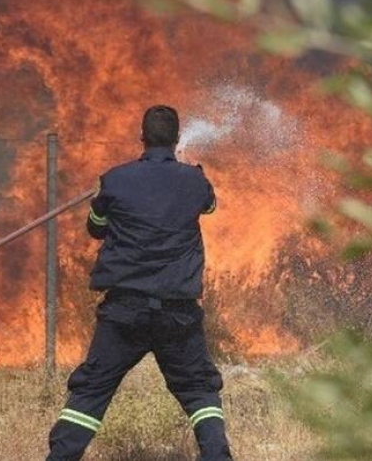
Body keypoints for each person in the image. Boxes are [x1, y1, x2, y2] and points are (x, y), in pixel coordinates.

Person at [46, 105, 232, 460]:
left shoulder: (114, 180)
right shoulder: (194, 181)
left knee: (91, 392)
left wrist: (104, 197)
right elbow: (208, 207)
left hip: (124, 312)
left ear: (141, 137)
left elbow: (96, 227)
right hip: (178, 313)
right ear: (177, 139)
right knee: (199, 391)